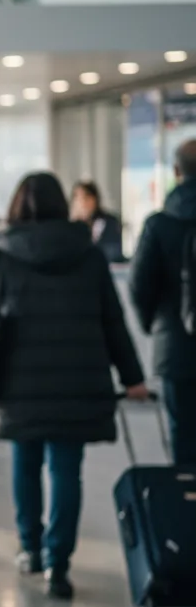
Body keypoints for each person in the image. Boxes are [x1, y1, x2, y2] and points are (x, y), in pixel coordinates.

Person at [0, 171, 147, 600]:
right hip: (77, 378)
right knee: (66, 470)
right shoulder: (86, 251)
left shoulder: (0, 251)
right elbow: (112, 319)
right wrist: (133, 376)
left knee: (25, 463)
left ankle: (29, 547)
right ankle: (58, 564)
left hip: (17, 378)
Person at [130, 139, 196, 466]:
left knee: (182, 435)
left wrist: (151, 324)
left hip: (175, 346)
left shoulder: (159, 224)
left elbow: (140, 285)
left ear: (175, 172)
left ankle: (187, 511)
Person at [71, 182, 124, 263]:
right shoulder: (71, 226)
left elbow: (113, 251)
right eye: (77, 198)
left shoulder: (110, 222)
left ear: (95, 199)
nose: (82, 203)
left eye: (86, 198)